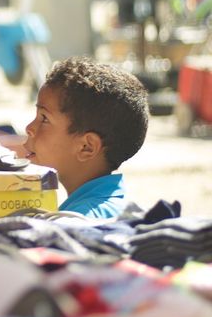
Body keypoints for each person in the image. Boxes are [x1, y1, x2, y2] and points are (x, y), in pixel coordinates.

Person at [24, 56, 149, 219]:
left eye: (44, 118)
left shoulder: (80, 222)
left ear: (86, 147)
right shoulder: (106, 207)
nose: (29, 128)